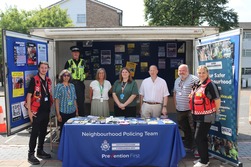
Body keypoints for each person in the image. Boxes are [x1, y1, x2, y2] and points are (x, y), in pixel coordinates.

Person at [189, 65, 221, 167]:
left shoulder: (211, 84)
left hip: (206, 116)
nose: (201, 75)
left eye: (203, 72)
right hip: (196, 115)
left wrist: (215, 112)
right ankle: (204, 158)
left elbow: (217, 100)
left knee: (198, 138)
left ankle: (204, 162)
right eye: (199, 73)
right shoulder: (197, 84)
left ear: (207, 73)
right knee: (201, 138)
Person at [26, 61, 53, 165]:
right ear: (38, 68)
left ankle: (40, 150)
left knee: (43, 132)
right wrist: (29, 112)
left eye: (45, 68)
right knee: (34, 133)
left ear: (48, 69)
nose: (44, 69)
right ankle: (31, 154)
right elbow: (29, 96)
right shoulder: (34, 80)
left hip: (45, 110)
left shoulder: (48, 80)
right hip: (36, 111)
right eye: (42, 67)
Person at [173, 64, 199, 156]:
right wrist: (175, 105)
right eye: (180, 71)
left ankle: (196, 148)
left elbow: (199, 92)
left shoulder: (194, 79)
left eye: (183, 70)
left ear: (187, 71)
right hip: (180, 109)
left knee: (194, 129)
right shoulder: (177, 80)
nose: (181, 72)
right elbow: (175, 93)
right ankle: (188, 146)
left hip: (190, 109)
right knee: (185, 128)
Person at [54, 69, 78, 139]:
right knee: (63, 130)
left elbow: (74, 99)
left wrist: (77, 110)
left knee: (72, 130)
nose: (66, 77)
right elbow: (57, 101)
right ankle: (63, 146)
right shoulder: (59, 86)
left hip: (72, 111)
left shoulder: (72, 86)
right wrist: (58, 114)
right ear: (61, 77)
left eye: (68, 75)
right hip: (63, 112)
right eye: (64, 75)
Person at [64, 46, 88, 116]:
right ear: (72, 53)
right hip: (71, 84)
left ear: (79, 53)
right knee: (70, 101)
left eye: (77, 52)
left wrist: (83, 77)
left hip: (80, 84)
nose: (75, 54)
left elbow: (86, 72)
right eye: (74, 52)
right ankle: (71, 116)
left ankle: (81, 117)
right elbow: (65, 73)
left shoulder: (83, 62)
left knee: (80, 102)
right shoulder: (69, 62)